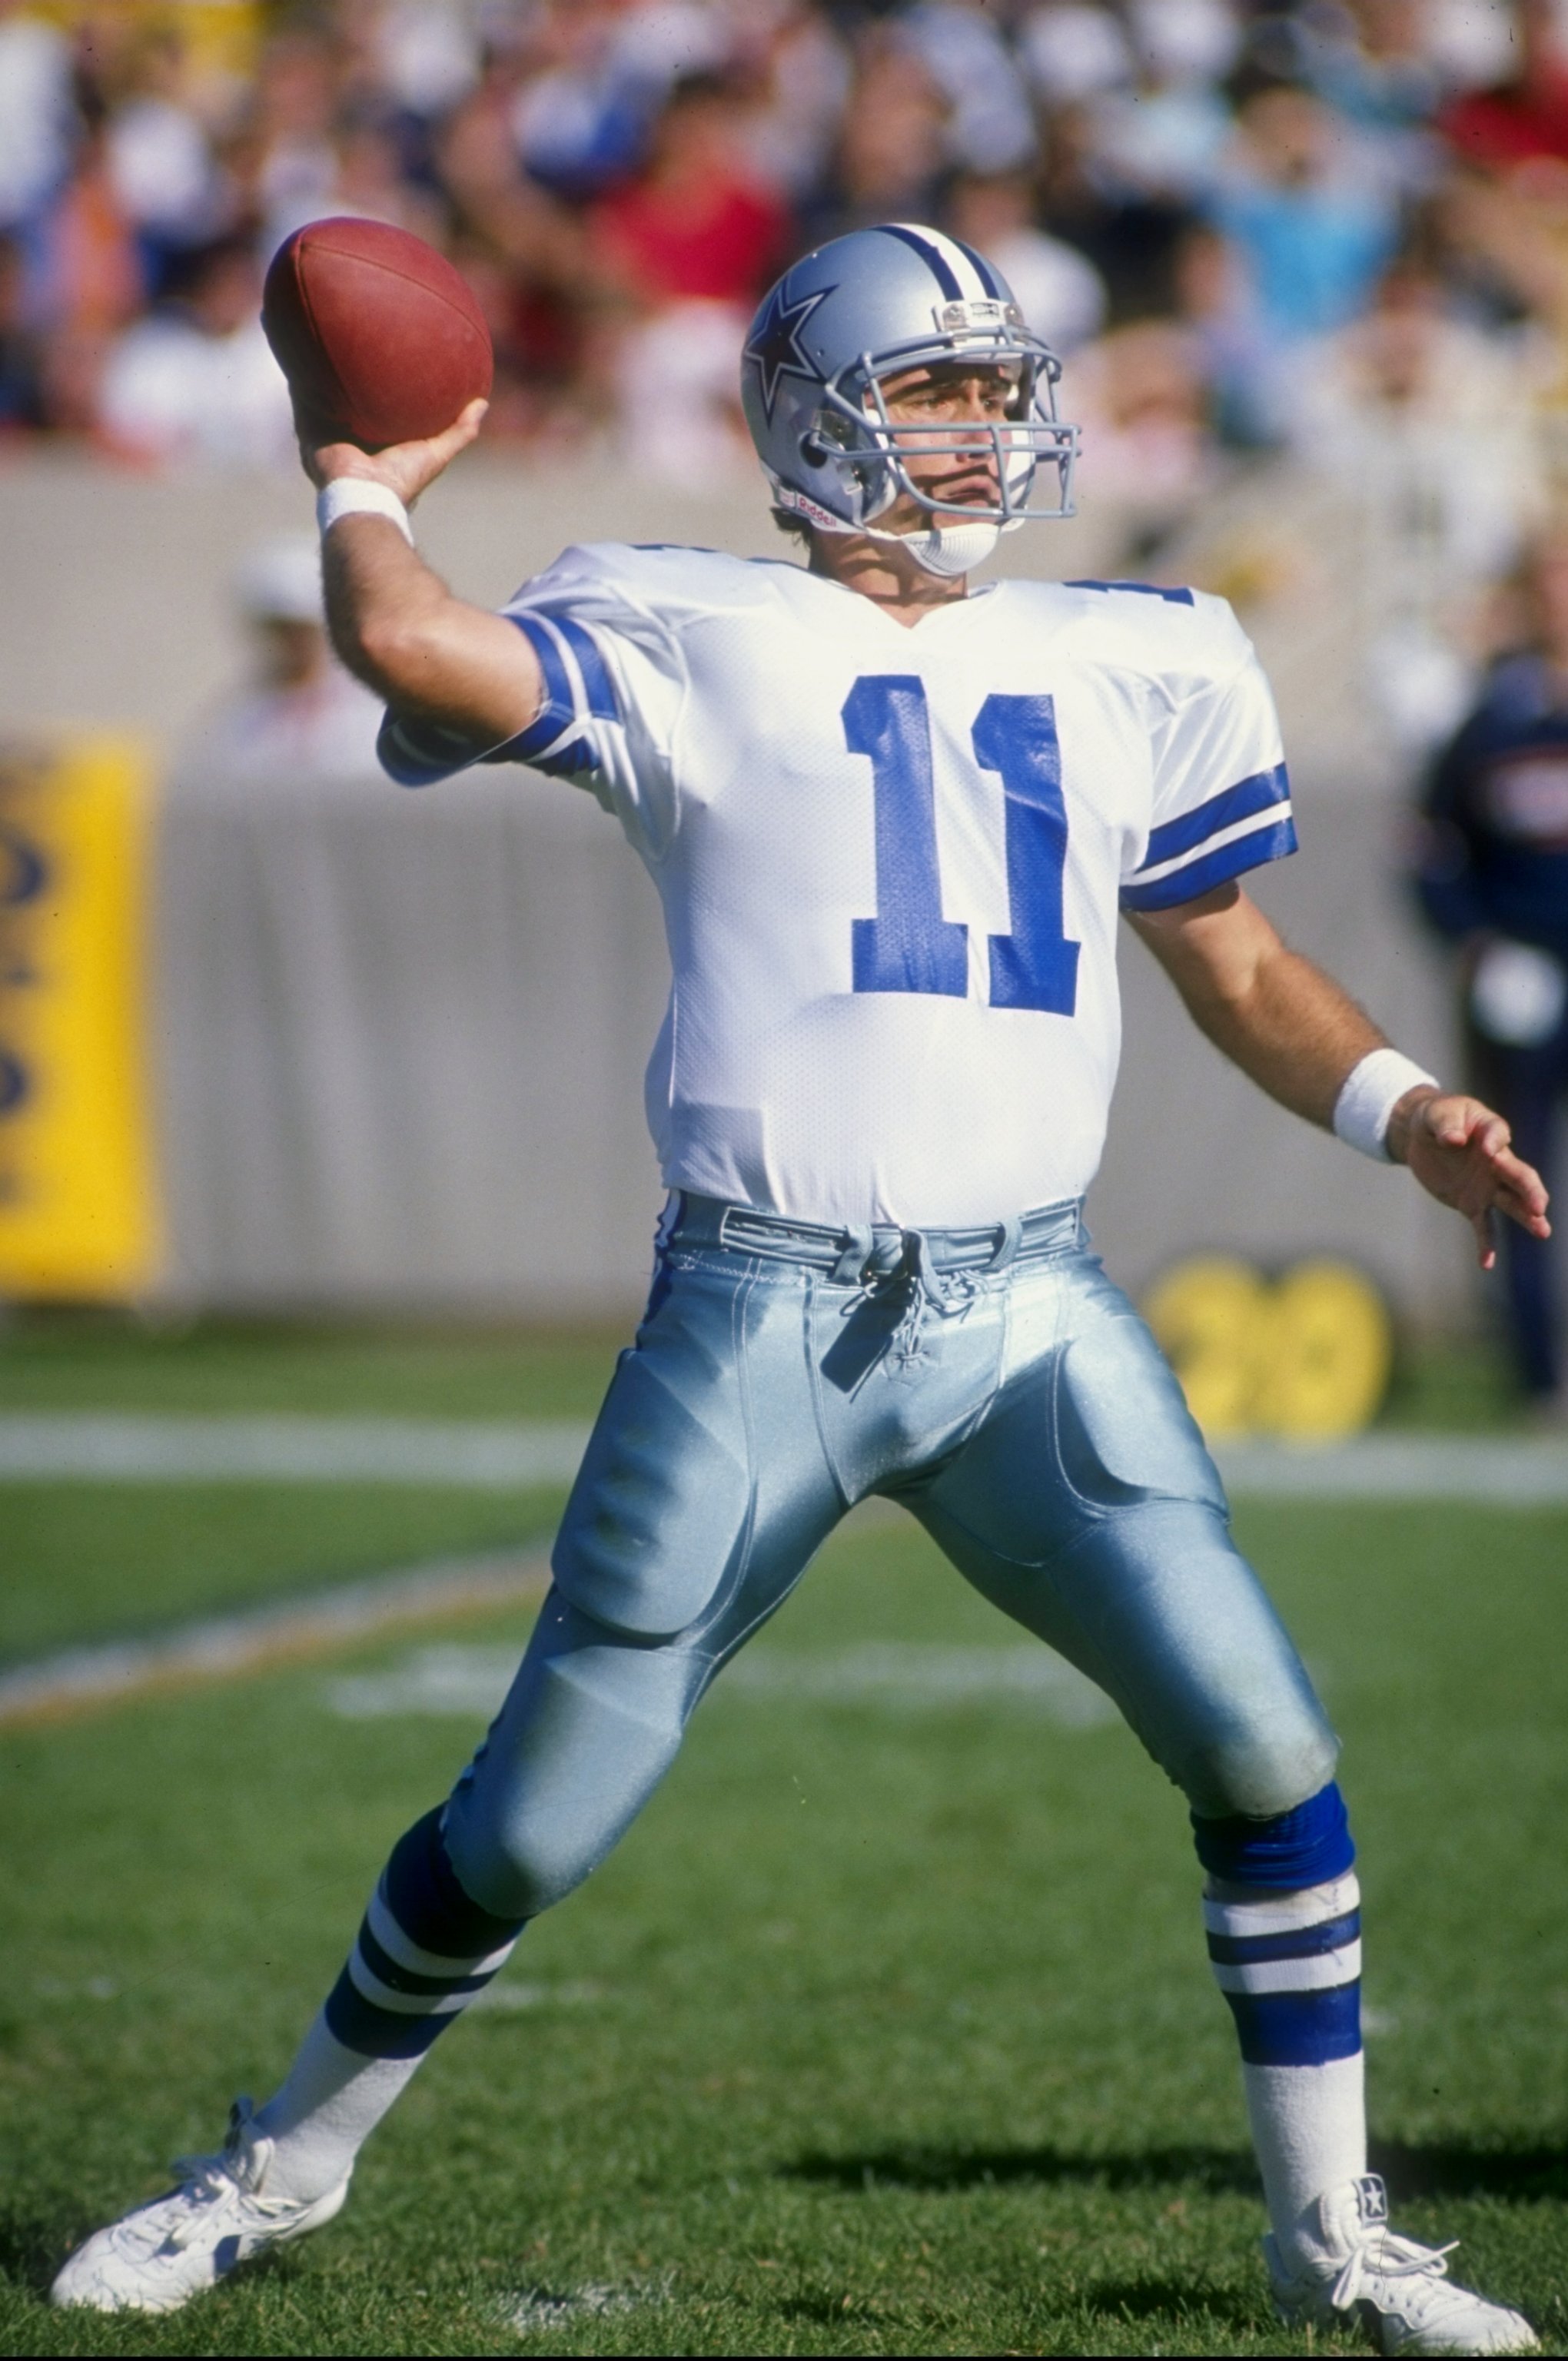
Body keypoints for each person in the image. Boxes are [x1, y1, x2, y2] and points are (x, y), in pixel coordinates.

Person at [53, 223, 1546, 2353]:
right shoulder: (681, 622)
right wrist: (360, 474)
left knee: (1264, 1743)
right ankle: (271, 2170)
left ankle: (1333, 2239)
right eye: (934, 388)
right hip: (763, 1314)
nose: (985, 427)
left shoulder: (1136, 650)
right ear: (816, 414)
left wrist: (1402, 1106)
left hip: (1029, 1311)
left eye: (992, 387)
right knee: (533, 1819)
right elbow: (415, 656)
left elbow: (1227, 957)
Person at [1414, 529, 1568, 1413]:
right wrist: (1478, 946)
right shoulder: (1490, 723)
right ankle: (1537, 1376)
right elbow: (1432, 848)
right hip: (1528, 984)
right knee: (1522, 1177)